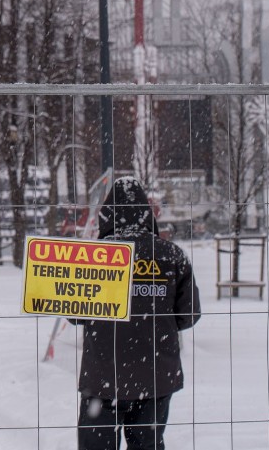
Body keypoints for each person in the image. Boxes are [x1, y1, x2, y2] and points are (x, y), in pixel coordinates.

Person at [72, 177, 201, 450]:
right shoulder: (172, 255)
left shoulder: (92, 257)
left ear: (106, 215)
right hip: (155, 377)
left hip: (102, 379)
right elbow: (189, 315)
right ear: (147, 214)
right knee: (147, 445)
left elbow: (74, 314)